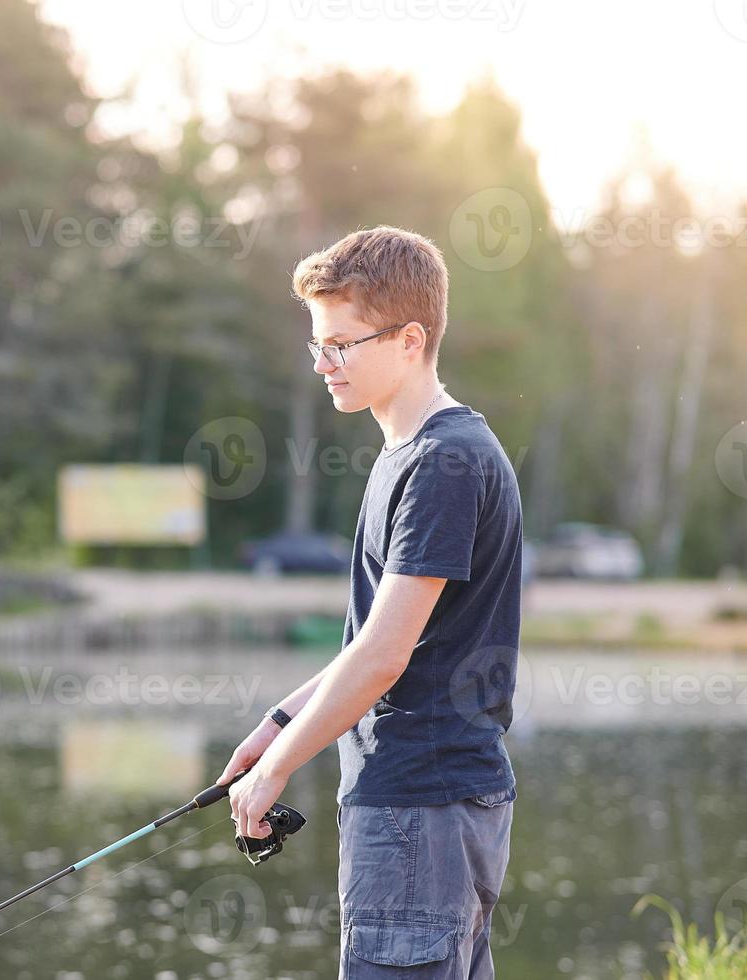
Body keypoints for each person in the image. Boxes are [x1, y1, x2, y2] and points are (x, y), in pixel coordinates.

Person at [217, 226, 523, 978]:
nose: (324, 363)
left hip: (421, 807)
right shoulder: (409, 452)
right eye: (317, 344)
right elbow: (373, 644)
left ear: (409, 339)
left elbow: (384, 657)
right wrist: (276, 723)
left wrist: (274, 773)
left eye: (342, 344)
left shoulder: (444, 463)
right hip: (432, 806)